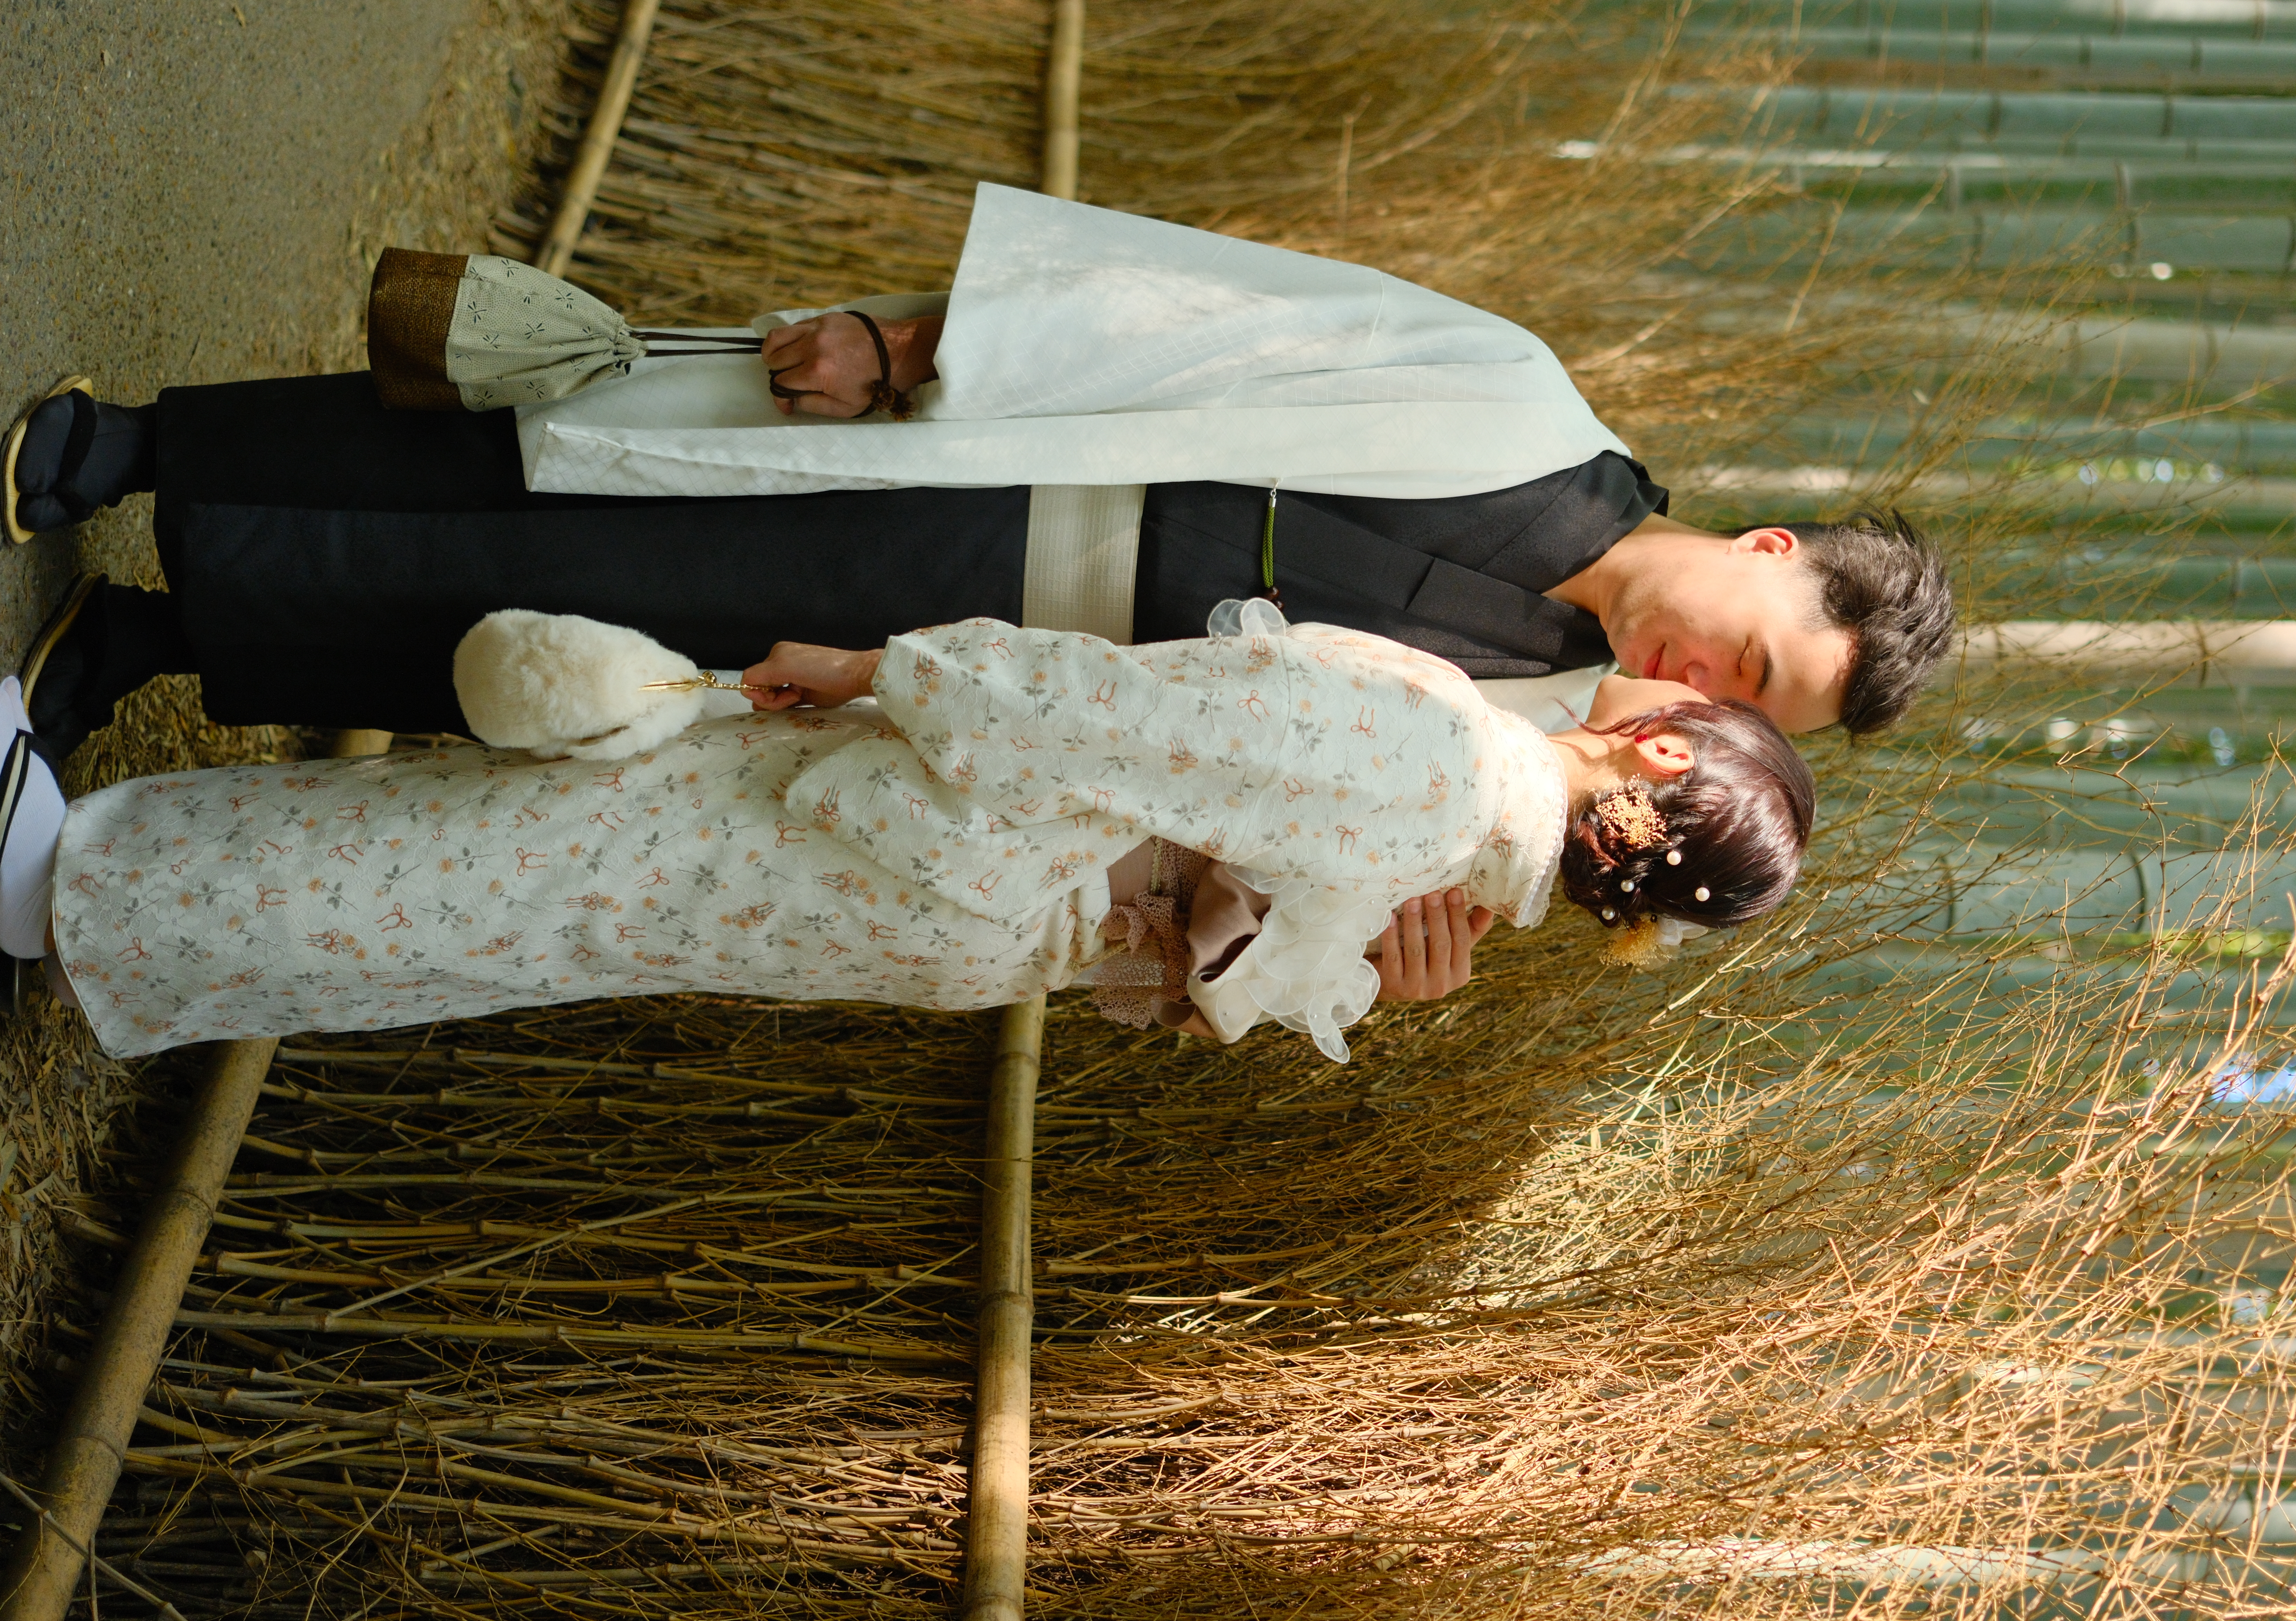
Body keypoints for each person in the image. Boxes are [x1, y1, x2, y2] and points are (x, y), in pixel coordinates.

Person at [2, 185, 1953, 774]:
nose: (1708, 698)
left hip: (981, 655)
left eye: (1750, 720)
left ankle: (169, 637)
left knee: (590, 659)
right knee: (556, 468)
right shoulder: (1517, 403)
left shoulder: (1537, 722)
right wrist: (922, 339)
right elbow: (1202, 309)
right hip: (1010, 457)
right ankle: (144, 449)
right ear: (1775, 554)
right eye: (1762, 661)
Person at [0, 606, 1816, 1062]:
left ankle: (55, 881)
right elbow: (1180, 980)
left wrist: (885, 665)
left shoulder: (1443, 766)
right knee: (530, 917)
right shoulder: (1436, 899)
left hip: (931, 823)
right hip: (962, 924)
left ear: (1647, 764)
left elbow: (1130, 717)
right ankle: (106, 908)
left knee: (520, 857)